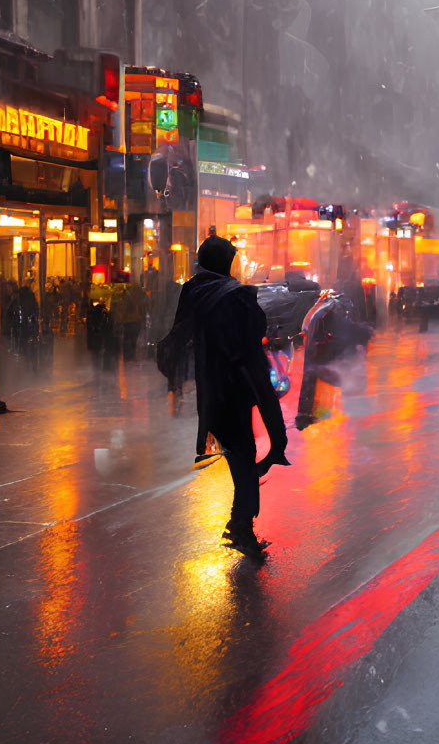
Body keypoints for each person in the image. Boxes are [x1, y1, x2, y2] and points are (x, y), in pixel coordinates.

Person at [159, 235, 291, 561]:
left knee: (242, 461)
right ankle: (240, 529)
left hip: (213, 396)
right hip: (235, 393)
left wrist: (178, 379)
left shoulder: (193, 292)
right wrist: (276, 430)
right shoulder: (239, 298)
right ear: (226, 262)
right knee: (244, 462)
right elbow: (251, 360)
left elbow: (175, 343)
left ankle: (240, 526)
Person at [294, 291, 373, 428]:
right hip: (325, 364)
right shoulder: (333, 316)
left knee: (318, 398)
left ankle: (312, 418)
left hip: (317, 364)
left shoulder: (315, 314)